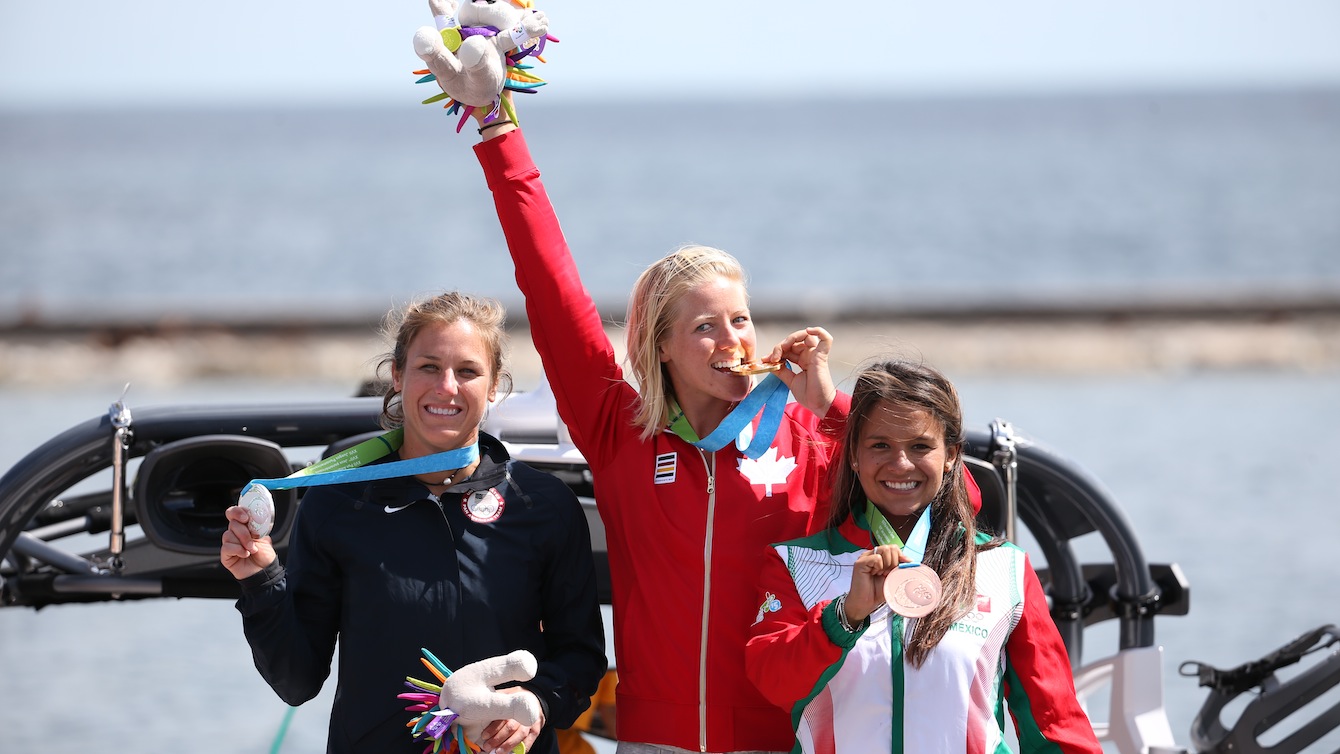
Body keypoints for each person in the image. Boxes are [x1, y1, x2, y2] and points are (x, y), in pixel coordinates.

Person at [467, 107, 849, 753]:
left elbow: (947, 499)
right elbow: (550, 288)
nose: (732, 340)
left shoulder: (810, 433)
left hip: (779, 741)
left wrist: (832, 408)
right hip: (651, 740)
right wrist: (497, 132)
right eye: (705, 327)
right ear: (662, 347)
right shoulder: (622, 434)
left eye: (741, 320)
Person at [219, 292, 607, 754]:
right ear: (397, 375)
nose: (447, 386)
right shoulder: (338, 504)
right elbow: (297, 681)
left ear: (494, 386)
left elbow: (580, 657)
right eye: (429, 366)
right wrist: (260, 579)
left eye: (467, 371)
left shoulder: (542, 505)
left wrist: (538, 700)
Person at [744, 360, 1104, 753]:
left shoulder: (1005, 569)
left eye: (920, 446)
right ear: (853, 455)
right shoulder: (796, 565)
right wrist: (844, 616)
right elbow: (773, 682)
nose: (900, 464)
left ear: (951, 455)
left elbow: (1055, 724)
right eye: (880, 445)